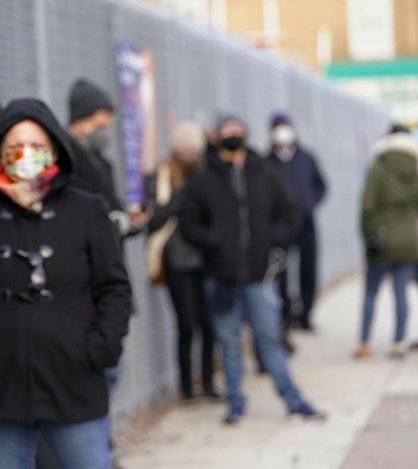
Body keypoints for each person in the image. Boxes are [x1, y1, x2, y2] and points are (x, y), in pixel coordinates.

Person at [0, 98, 132, 469]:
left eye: (37, 147)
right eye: (15, 148)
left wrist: (99, 348)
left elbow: (114, 287)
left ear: (55, 151)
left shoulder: (86, 209)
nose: (26, 156)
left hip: (74, 381)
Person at [179, 115, 326, 424]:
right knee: (229, 344)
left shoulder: (265, 175)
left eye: (238, 130)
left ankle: (293, 400)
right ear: (216, 137)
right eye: (227, 130)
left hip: (260, 276)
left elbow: (290, 213)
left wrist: (274, 241)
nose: (233, 135)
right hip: (220, 277)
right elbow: (188, 223)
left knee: (269, 339)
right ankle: (235, 404)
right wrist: (213, 241)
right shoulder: (204, 181)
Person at [146, 120, 218, 400]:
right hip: (176, 259)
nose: (188, 154)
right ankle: (187, 387)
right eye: (183, 149)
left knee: (208, 324)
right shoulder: (163, 176)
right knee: (186, 324)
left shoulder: (206, 175)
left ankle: (209, 382)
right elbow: (153, 220)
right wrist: (179, 200)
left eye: (192, 149)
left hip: (206, 258)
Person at [356, 124, 418, 359]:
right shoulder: (414, 167)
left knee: (371, 291)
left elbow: (367, 207)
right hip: (409, 241)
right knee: (401, 292)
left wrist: (368, 236)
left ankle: (364, 342)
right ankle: (399, 341)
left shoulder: (379, 166)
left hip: (382, 238)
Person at [266, 112, 327, 332]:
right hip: (281, 225)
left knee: (308, 270)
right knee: (280, 271)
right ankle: (285, 314)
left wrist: (310, 202)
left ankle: (306, 314)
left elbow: (321, 186)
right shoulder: (267, 162)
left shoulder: (305, 158)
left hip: (306, 222)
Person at [66, 78, 149, 237]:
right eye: (100, 126)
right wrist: (112, 222)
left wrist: (129, 221)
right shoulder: (67, 160)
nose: (105, 132)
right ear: (79, 120)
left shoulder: (101, 162)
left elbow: (111, 206)